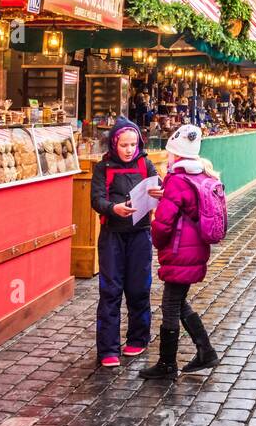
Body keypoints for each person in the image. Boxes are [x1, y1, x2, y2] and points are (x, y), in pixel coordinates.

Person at [139, 124, 221, 380]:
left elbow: (163, 224)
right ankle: (204, 350)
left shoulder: (176, 180)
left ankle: (167, 363)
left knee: (170, 305)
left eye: (169, 154)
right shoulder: (202, 175)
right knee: (178, 300)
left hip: (179, 251)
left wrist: (155, 235)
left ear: (176, 156)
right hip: (195, 250)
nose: (167, 158)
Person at [90, 117, 162, 368]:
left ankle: (138, 338)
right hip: (112, 236)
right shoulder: (103, 168)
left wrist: (160, 194)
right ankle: (108, 348)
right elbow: (96, 199)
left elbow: (160, 187)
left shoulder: (146, 164)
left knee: (139, 288)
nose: (130, 149)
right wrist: (113, 208)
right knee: (110, 291)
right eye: (124, 145)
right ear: (114, 144)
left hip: (140, 234)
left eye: (133, 144)